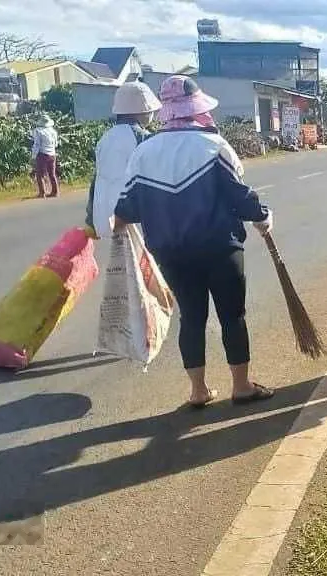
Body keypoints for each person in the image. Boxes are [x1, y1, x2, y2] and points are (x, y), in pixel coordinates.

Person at [114, 75, 275, 409]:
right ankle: (242, 386)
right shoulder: (214, 146)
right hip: (220, 247)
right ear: (197, 110)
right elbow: (240, 196)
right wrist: (262, 217)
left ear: (166, 114)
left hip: (170, 253)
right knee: (233, 315)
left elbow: (125, 209)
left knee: (192, 317)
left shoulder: (144, 153)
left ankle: (198, 391)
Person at [85, 81, 161, 238]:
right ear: (142, 111)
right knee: (136, 259)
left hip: (108, 215)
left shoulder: (106, 138)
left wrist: (91, 217)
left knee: (121, 258)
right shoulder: (141, 138)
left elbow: (97, 178)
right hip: (131, 215)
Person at [30, 113, 60, 198]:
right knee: (52, 174)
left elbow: (37, 145)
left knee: (40, 175)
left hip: (42, 154)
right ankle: (55, 192)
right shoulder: (53, 131)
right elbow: (56, 144)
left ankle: (42, 193)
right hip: (52, 154)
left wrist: (33, 156)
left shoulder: (38, 131)